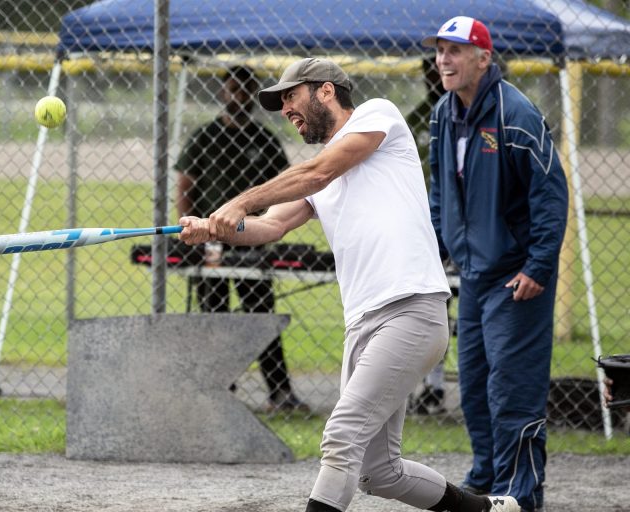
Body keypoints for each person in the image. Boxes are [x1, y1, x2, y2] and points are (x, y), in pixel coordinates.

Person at [179, 57, 520, 512]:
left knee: (341, 435)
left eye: (291, 97)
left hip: (411, 310)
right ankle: (486, 510)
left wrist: (238, 201)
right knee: (378, 472)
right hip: (362, 322)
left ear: (325, 91)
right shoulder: (319, 175)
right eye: (280, 103)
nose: (285, 110)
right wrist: (217, 227)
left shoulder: (377, 116)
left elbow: (315, 173)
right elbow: (271, 226)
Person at [423, 16, 569, 512]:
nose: (444, 60)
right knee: (475, 387)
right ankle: (487, 481)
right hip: (474, 273)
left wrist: (538, 266)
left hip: (516, 277)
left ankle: (521, 494)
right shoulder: (444, 113)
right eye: (440, 50)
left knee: (513, 391)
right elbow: (440, 188)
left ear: (483, 59)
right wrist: (440, 246)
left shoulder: (516, 114)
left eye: (456, 51)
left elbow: (551, 194)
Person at [174, 65, 308, 413]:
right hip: (211, 241)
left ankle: (280, 391)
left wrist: (268, 225)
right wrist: (192, 228)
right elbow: (185, 187)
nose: (238, 96)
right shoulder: (206, 136)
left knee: (261, 315)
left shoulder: (263, 138)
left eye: (245, 90)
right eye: (232, 89)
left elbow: (282, 187)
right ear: (222, 92)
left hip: (252, 240)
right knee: (215, 316)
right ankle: (220, 388)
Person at [406, 58, 449, 416]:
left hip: (458, 220)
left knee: (448, 306)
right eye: (429, 71)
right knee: (418, 302)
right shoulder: (418, 117)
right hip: (421, 221)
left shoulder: (463, 114)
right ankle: (419, 384)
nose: (434, 77)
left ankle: (435, 385)